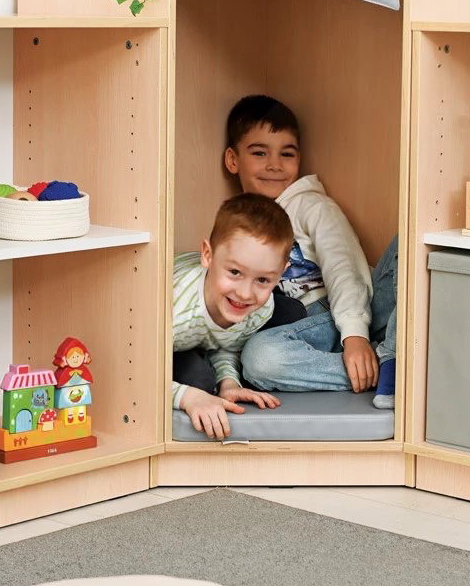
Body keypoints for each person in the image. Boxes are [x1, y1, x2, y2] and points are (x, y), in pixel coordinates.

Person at [223, 95, 398, 409]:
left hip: (344, 309)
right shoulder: (239, 221)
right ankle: (382, 368)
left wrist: (355, 335)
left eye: (286, 153)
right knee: (260, 360)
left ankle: (380, 360)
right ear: (233, 160)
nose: (274, 165)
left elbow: (343, 268)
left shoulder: (311, 205)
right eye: (259, 153)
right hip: (301, 329)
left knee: (409, 242)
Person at [171, 193, 292, 438]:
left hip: (196, 336)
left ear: (281, 273)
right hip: (154, 337)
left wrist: (229, 383)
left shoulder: (261, 307)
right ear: (207, 255)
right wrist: (187, 397)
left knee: (291, 312)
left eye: (262, 279)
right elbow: (129, 368)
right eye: (235, 272)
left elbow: (227, 342)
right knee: (199, 383)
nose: (245, 293)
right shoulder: (175, 312)